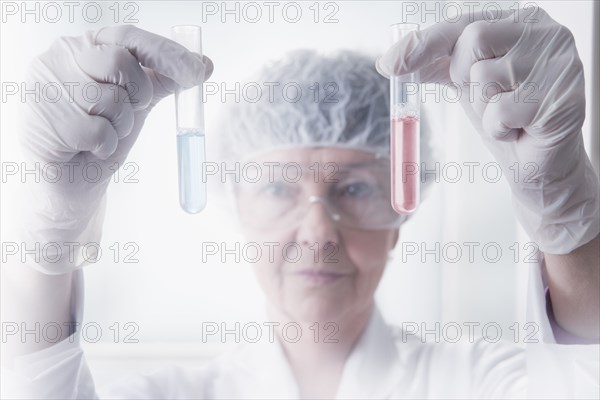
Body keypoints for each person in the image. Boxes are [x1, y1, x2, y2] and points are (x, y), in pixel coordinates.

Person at [1, 7, 599, 399]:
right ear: (237, 205)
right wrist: (45, 233)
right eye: (280, 187)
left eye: (356, 187)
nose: (317, 229)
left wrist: (565, 215)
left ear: (402, 211)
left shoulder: (479, 383)